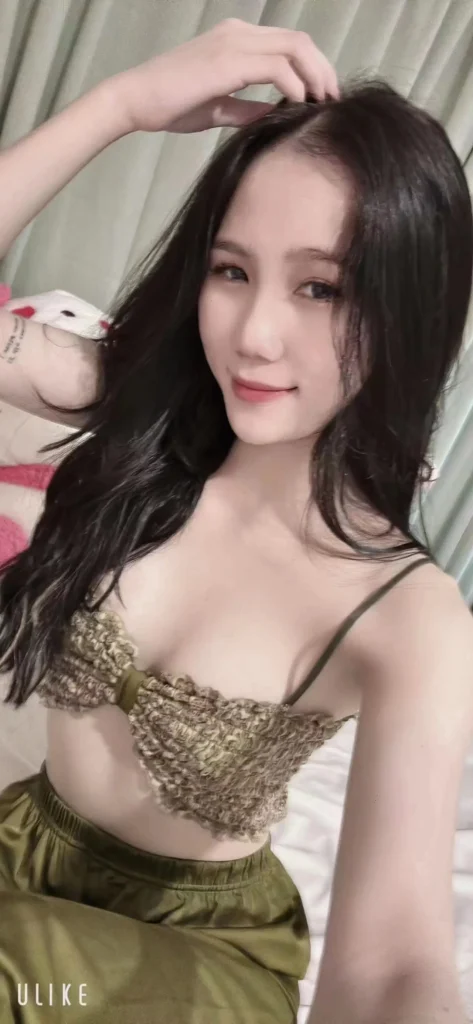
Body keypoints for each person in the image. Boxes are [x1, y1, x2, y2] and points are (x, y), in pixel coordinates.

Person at [0, 15, 472, 1024]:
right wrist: (120, 106)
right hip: (24, 863)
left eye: (321, 287)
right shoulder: (140, 413)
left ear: (408, 310)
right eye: (231, 270)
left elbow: (396, 963)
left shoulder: (406, 613)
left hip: (188, 958)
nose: (255, 334)